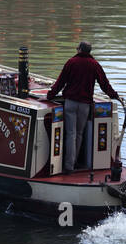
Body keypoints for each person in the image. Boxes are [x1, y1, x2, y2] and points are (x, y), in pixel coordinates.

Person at [47, 42, 120, 171]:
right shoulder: (95, 65)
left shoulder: (71, 62)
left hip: (70, 103)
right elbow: (104, 84)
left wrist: (50, 95)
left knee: (71, 134)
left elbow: (60, 82)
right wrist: (114, 95)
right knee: (79, 133)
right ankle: (74, 162)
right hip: (85, 105)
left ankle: (68, 166)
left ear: (80, 49)